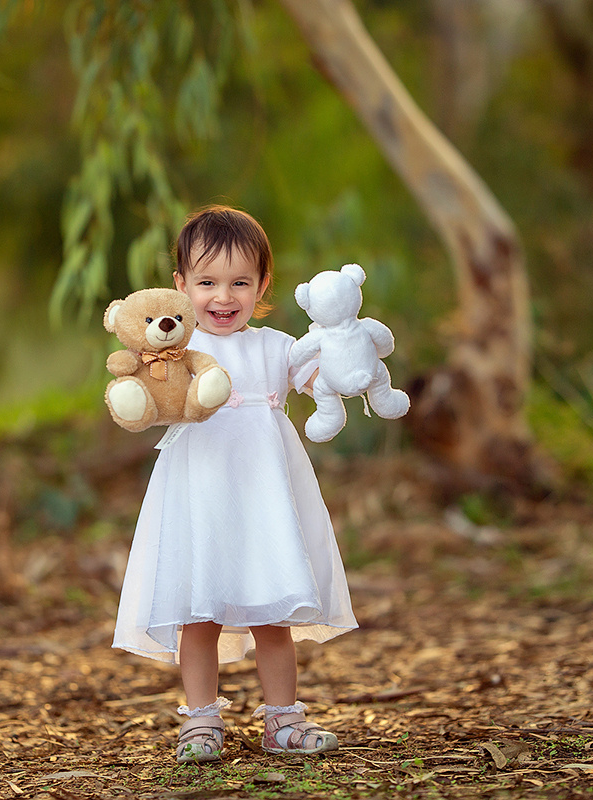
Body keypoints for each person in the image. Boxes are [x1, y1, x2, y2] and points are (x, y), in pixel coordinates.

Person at [112, 205, 358, 762]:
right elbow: (149, 400)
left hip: (263, 494)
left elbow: (315, 377)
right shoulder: (176, 353)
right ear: (180, 287)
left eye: (239, 282)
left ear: (262, 284)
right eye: (206, 283)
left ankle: (283, 720)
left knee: (273, 610)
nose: (223, 297)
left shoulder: (275, 346)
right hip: (200, 492)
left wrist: (342, 360)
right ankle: (200, 720)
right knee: (198, 610)